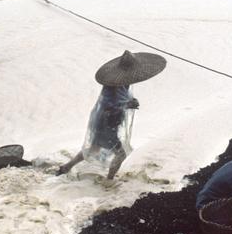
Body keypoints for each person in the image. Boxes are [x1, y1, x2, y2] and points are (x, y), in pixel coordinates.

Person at [58, 50, 167, 180]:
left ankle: (66, 167)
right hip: (107, 123)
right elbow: (109, 106)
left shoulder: (121, 83)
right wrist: (126, 105)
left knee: (94, 148)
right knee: (121, 154)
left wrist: (130, 102)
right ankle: (109, 179)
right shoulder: (113, 87)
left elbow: (120, 100)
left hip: (104, 122)